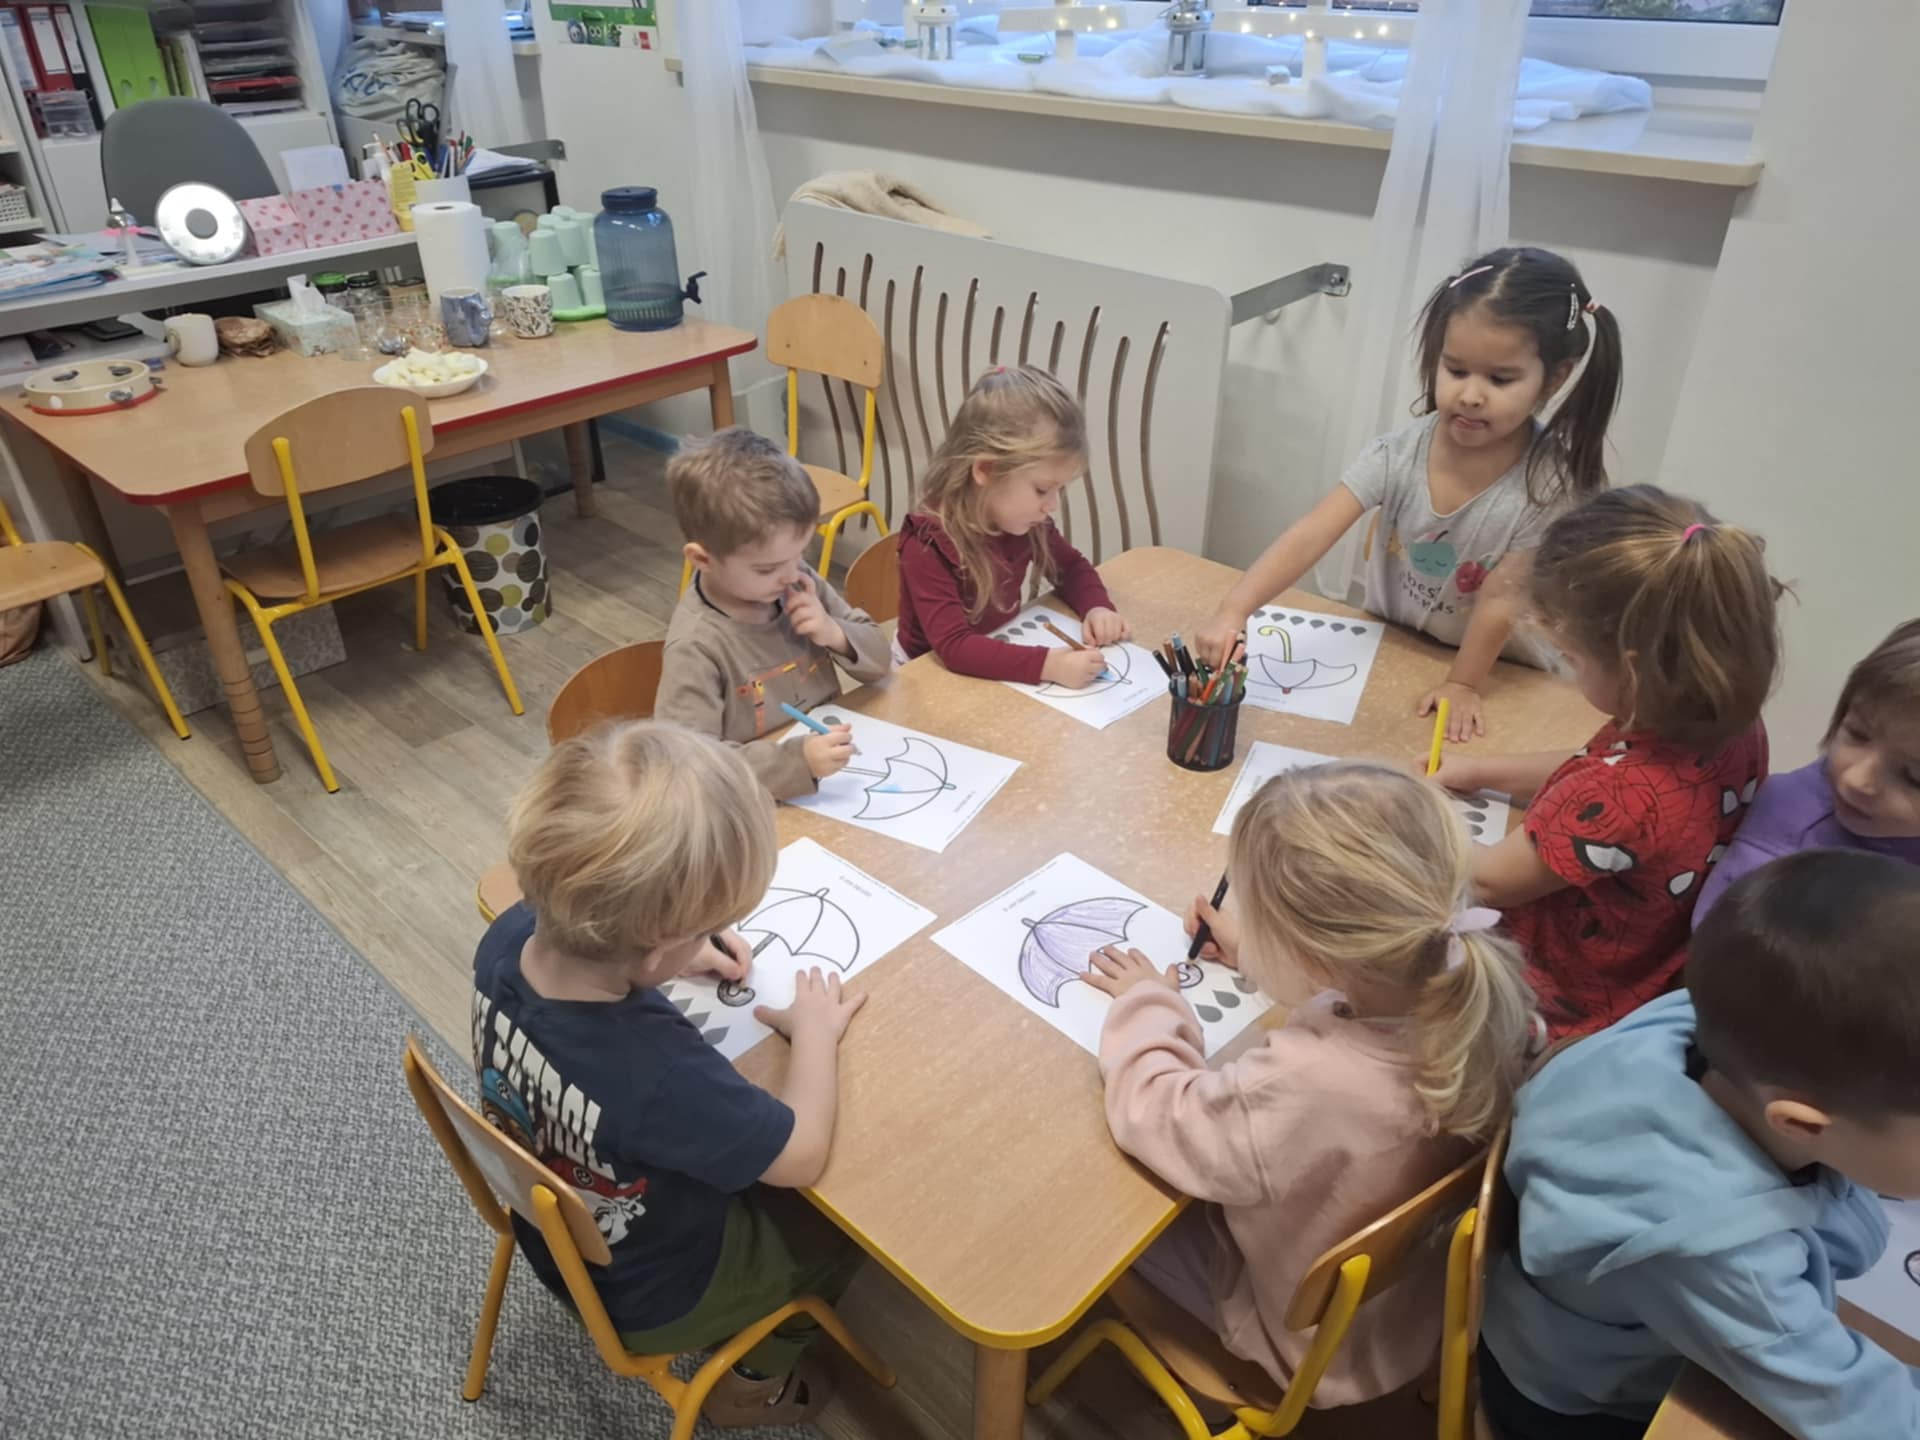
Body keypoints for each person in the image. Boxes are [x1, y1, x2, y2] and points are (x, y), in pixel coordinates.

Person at [1088, 761, 1534, 1404]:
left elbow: (1156, 1114)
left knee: (1098, 1217)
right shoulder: (1486, 995)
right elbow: (1355, 996)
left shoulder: (1309, 1083)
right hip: (1408, 1312)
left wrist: (1149, 1003)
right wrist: (1260, 955)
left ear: (1312, 954)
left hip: (1301, 1342)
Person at [472, 722, 868, 1428]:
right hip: (654, 1295)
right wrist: (813, 1034)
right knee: (835, 1235)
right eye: (701, 927)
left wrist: (670, 953)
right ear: (655, 946)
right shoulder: (656, 1071)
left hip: (547, 1230)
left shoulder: (505, 937)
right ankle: (749, 1385)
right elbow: (800, 1156)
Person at [1479, 848, 1920, 1440]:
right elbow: (1858, 1413)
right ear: (1803, 1124)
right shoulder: (1716, 1253)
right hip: (1582, 1405)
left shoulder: (1728, 1030)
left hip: (1623, 1334)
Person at [1195, 246, 1623, 740]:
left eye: (1500, 379)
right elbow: (1313, 531)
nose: (1470, 395)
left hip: (1496, 675)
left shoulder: (1550, 488)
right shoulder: (1397, 453)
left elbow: (1501, 599)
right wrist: (1235, 609)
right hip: (1395, 646)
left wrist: (1462, 683)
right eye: (1456, 370)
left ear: (1554, 378)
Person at [1432, 486, 1780, 1041]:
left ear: (1634, 672)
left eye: (1570, 658)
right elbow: (1597, 767)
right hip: (1642, 965)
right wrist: (1479, 771)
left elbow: (1487, 881)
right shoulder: (1719, 718)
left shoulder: (1622, 795)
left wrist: (1399, 818)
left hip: (1559, 1000)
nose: (1569, 670)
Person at [656, 427, 892, 800]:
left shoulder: (795, 580)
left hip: (830, 781)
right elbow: (692, 767)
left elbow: (880, 662)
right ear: (703, 559)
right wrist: (798, 762)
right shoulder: (697, 646)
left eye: (800, 555)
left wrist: (833, 632)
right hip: (755, 802)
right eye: (766, 569)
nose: (790, 575)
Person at [895, 365, 1131, 687]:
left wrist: (1097, 607)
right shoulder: (927, 542)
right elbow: (955, 647)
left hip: (996, 656)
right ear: (986, 470)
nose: (1052, 505)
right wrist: (1049, 666)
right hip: (925, 677)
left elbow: (1071, 568)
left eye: (1059, 490)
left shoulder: (1026, 522)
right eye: (1042, 489)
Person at [1694, 618, 1920, 924]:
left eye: (1913, 776)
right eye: (1857, 734)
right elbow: (1718, 944)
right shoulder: (1778, 856)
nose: (1856, 779)